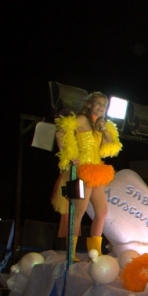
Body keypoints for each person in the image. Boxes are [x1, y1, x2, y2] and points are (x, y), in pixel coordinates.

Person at [53, 91, 122, 257]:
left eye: (104, 106)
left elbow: (111, 147)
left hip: (97, 171)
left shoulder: (100, 124)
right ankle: (72, 251)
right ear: (89, 104)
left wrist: (104, 130)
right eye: (98, 104)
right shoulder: (82, 119)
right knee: (79, 212)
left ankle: (95, 251)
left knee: (102, 212)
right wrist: (70, 155)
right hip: (83, 170)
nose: (101, 108)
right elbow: (60, 132)